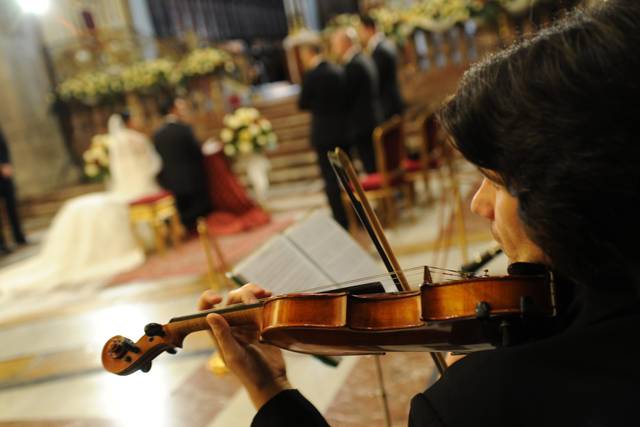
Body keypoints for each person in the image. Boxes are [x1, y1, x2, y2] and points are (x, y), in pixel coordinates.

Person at [199, 1, 640, 426]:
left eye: (497, 180)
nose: (478, 203)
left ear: (570, 188)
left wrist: (270, 390)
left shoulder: (484, 399)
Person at [0, 113, 161, 304]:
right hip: (140, 186)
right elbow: (153, 163)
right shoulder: (136, 139)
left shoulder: (115, 142)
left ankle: (13, 239)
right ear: (129, 122)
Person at [298, 40, 351, 229]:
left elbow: (302, 103)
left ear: (310, 53)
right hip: (343, 130)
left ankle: (341, 220)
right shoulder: (337, 70)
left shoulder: (312, 75)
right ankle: (358, 216)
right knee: (348, 176)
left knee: (330, 179)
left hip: (323, 133)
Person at [153, 97, 212, 231]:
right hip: (191, 178)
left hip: (171, 181)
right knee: (198, 213)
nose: (183, 111)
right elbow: (196, 152)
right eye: (180, 108)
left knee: (183, 211)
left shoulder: (157, 134)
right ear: (173, 109)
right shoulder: (184, 129)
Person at [330, 28, 383, 174]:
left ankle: (379, 196)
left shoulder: (354, 65)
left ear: (344, 43)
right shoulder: (364, 58)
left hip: (362, 124)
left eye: (335, 44)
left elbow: (346, 96)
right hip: (371, 118)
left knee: (372, 166)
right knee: (375, 163)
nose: (334, 48)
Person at [358, 15, 405, 121]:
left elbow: (376, 79)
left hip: (387, 105)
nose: (359, 35)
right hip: (393, 99)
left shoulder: (380, 50)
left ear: (368, 29)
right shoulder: (387, 43)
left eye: (360, 30)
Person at [0, 127, 27, 254]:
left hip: (3, 172)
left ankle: (19, 237)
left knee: (11, 204)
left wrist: (5, 163)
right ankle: (2, 245)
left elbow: (2, 143)